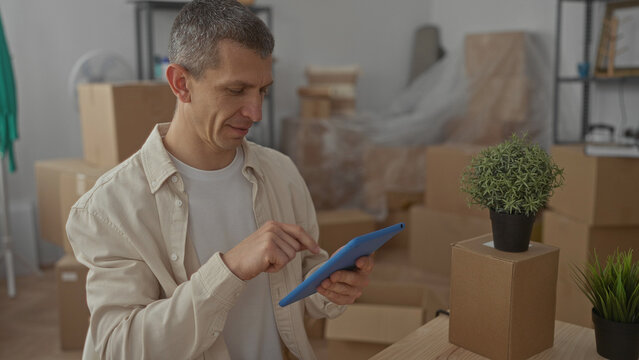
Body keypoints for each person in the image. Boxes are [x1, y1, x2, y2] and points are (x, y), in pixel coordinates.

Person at [66, 0, 375, 359]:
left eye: (263, 91)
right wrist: (229, 270)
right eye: (235, 90)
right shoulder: (108, 209)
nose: (255, 112)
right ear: (181, 83)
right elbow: (114, 349)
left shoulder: (282, 173)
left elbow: (304, 273)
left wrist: (331, 285)